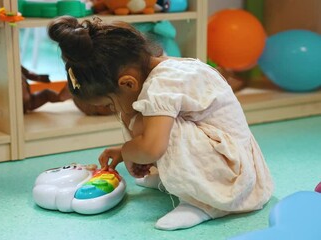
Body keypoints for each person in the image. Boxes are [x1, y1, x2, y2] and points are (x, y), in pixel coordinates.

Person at [47, 16, 274, 230]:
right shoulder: (165, 70)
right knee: (147, 123)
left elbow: (152, 147)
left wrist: (129, 151)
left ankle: (203, 203)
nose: (112, 110)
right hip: (231, 158)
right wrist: (128, 151)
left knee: (144, 126)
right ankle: (176, 181)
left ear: (127, 83)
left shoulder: (161, 87)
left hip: (233, 177)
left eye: (110, 104)